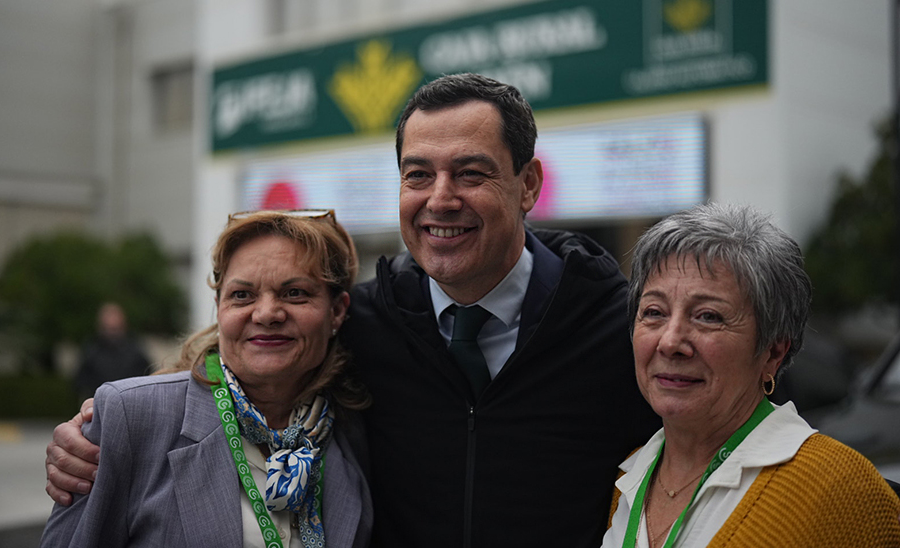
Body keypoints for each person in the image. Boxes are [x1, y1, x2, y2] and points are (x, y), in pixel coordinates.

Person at [45, 73, 660, 547]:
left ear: (528, 184)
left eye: (470, 173)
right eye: (418, 175)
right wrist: (106, 428)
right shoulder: (366, 322)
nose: (440, 200)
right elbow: (242, 358)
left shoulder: (622, 331)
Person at [40, 210, 373, 547]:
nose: (267, 313)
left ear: (337, 311)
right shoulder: (130, 417)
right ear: (219, 307)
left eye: (295, 293)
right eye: (242, 295)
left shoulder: (356, 429)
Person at [602, 202, 900, 548]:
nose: (670, 342)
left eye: (708, 316)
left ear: (774, 351)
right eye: (654, 312)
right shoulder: (630, 476)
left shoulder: (840, 488)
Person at [74, 302, 151, 400]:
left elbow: (146, 377)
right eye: (108, 328)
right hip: (98, 404)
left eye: (115, 328)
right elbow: (79, 382)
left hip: (129, 403)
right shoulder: (91, 350)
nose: (112, 333)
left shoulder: (136, 350)